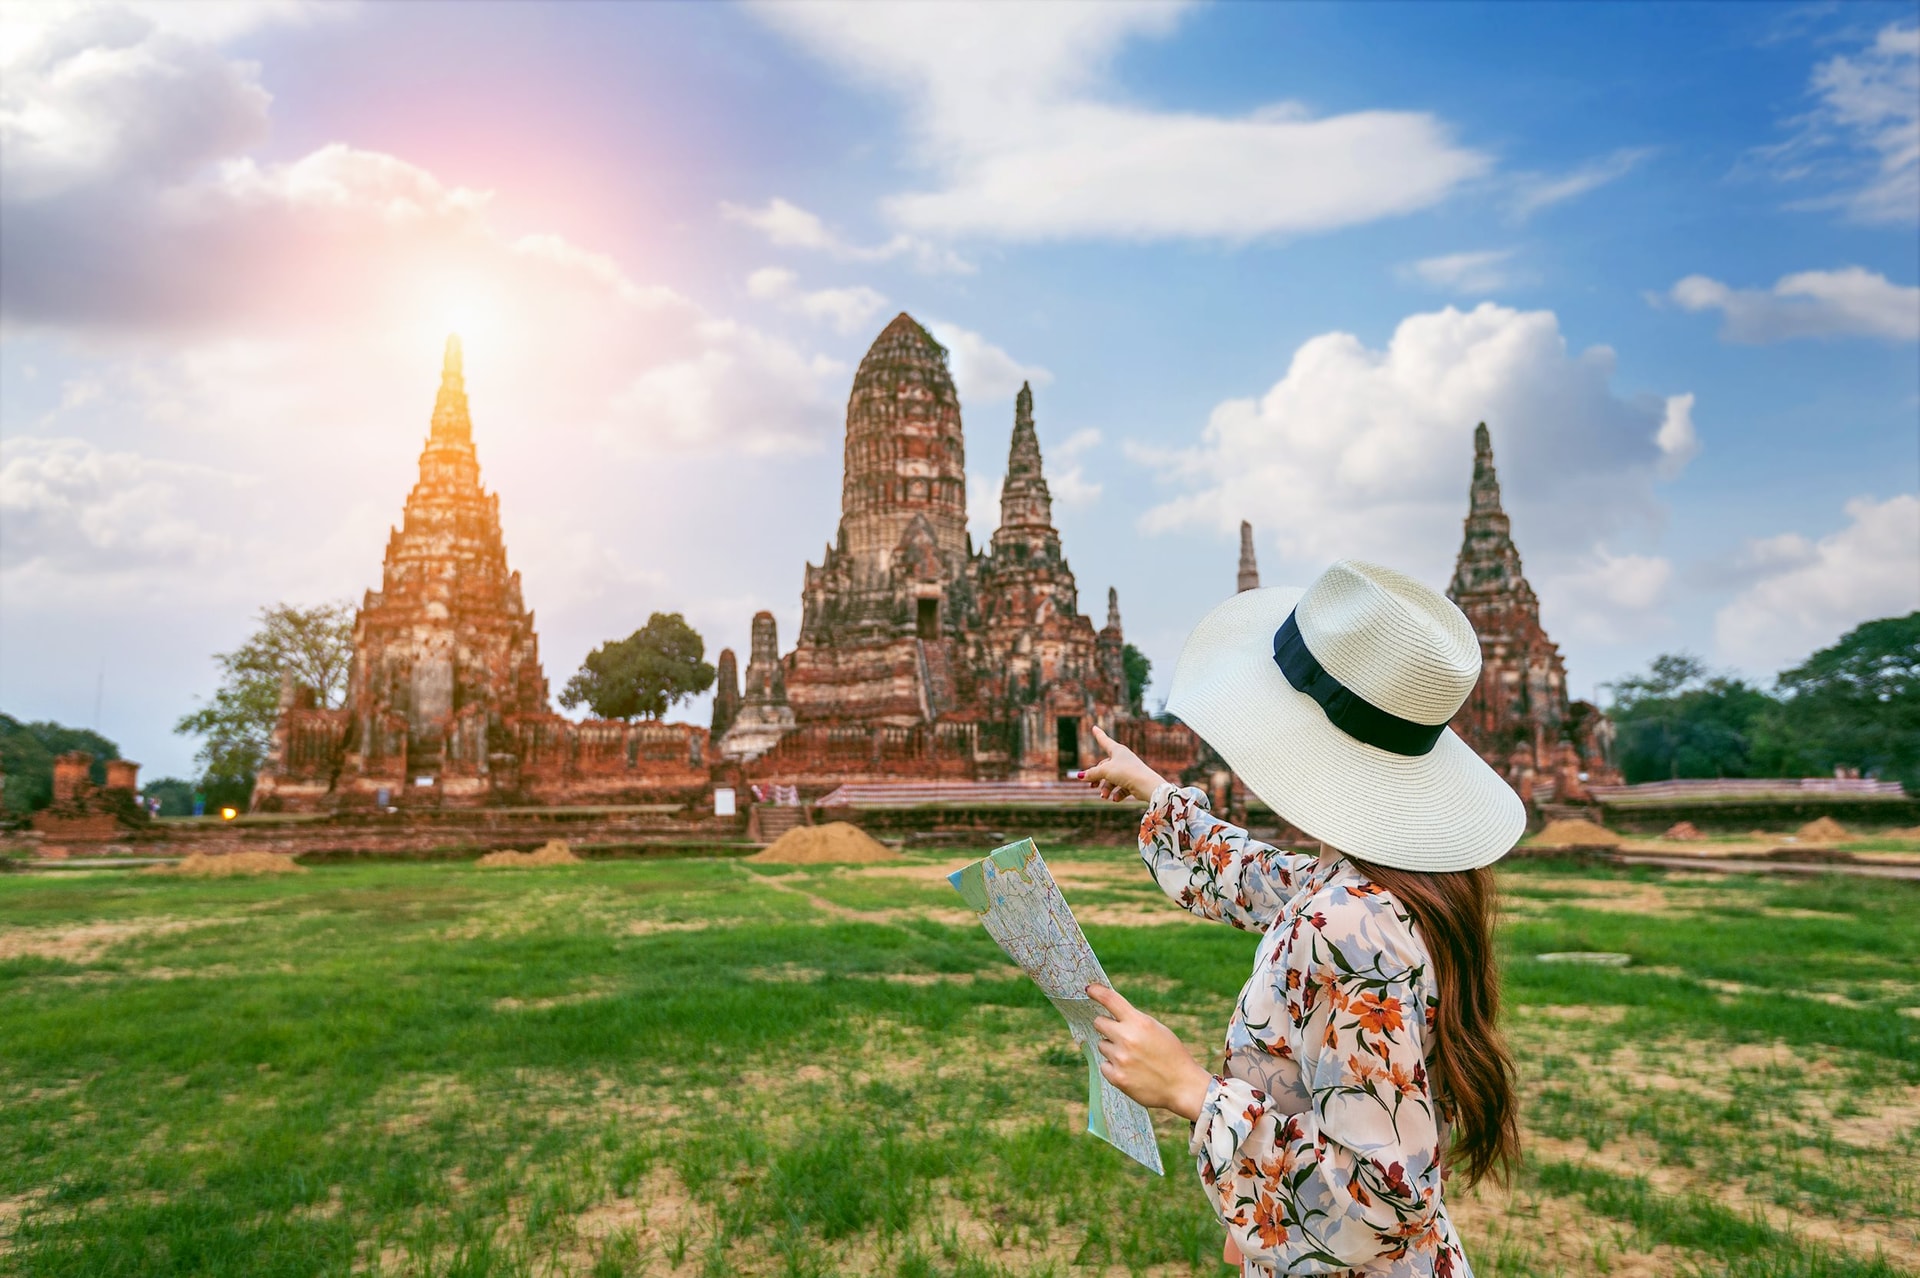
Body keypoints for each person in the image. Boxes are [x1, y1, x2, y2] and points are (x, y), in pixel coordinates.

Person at [1077, 559, 1524, 1277]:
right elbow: (1266, 881)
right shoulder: (1388, 882)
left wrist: (1191, 1091)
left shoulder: (1349, 924)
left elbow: (1382, 1204)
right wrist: (1157, 792)